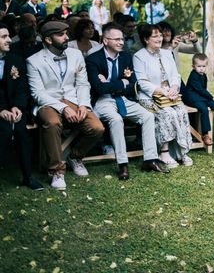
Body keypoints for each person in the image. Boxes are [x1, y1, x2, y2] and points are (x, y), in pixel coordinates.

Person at [27, 21, 105, 190]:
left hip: (74, 100)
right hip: (48, 101)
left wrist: (84, 105)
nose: (66, 37)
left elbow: (83, 84)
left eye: (66, 33)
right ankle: (57, 171)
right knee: (53, 123)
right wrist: (63, 108)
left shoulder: (76, 55)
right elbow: (38, 93)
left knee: (97, 127)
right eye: (61, 35)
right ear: (48, 39)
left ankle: (75, 157)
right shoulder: (33, 61)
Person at [86, 23, 167, 180]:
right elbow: (98, 89)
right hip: (103, 101)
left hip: (124, 99)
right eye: (116, 39)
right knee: (116, 119)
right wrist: (122, 82)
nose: (121, 42)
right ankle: (123, 164)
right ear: (105, 40)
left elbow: (134, 86)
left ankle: (149, 160)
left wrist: (112, 84)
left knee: (148, 116)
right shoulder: (93, 60)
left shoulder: (126, 57)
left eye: (122, 39)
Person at [134, 23, 192, 168]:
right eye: (155, 36)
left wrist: (173, 87)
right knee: (167, 113)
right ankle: (164, 152)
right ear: (146, 39)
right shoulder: (139, 56)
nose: (160, 38)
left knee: (181, 111)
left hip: (170, 94)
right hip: (149, 96)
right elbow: (142, 82)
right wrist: (162, 91)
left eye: (160, 35)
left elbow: (175, 75)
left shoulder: (167, 53)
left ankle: (181, 151)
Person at [0, 23, 43, 190]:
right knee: (3, 132)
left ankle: (28, 176)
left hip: (15, 109)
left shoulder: (16, 60)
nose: (9, 40)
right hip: (1, 109)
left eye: (8, 36)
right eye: (4, 37)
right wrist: (1, 110)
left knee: (21, 132)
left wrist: (18, 106)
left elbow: (23, 88)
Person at [184, 53, 214, 146]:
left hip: (200, 96)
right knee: (204, 109)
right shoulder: (194, 76)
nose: (201, 68)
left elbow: (204, 89)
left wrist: (210, 98)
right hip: (192, 97)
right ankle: (205, 134)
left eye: (203, 66)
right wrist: (210, 96)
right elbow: (200, 90)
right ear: (193, 66)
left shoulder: (203, 75)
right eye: (199, 66)